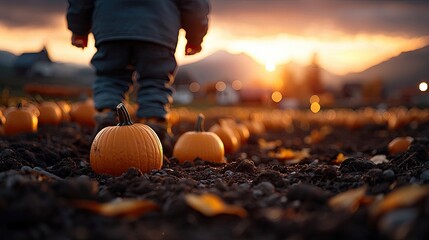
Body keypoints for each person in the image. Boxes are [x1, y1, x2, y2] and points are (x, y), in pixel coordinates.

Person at [66, 0, 210, 156]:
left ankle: (107, 117)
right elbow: (194, 4)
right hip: (158, 27)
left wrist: (79, 28)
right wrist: (195, 37)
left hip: (111, 25)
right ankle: (154, 124)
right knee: (155, 80)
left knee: (111, 77)